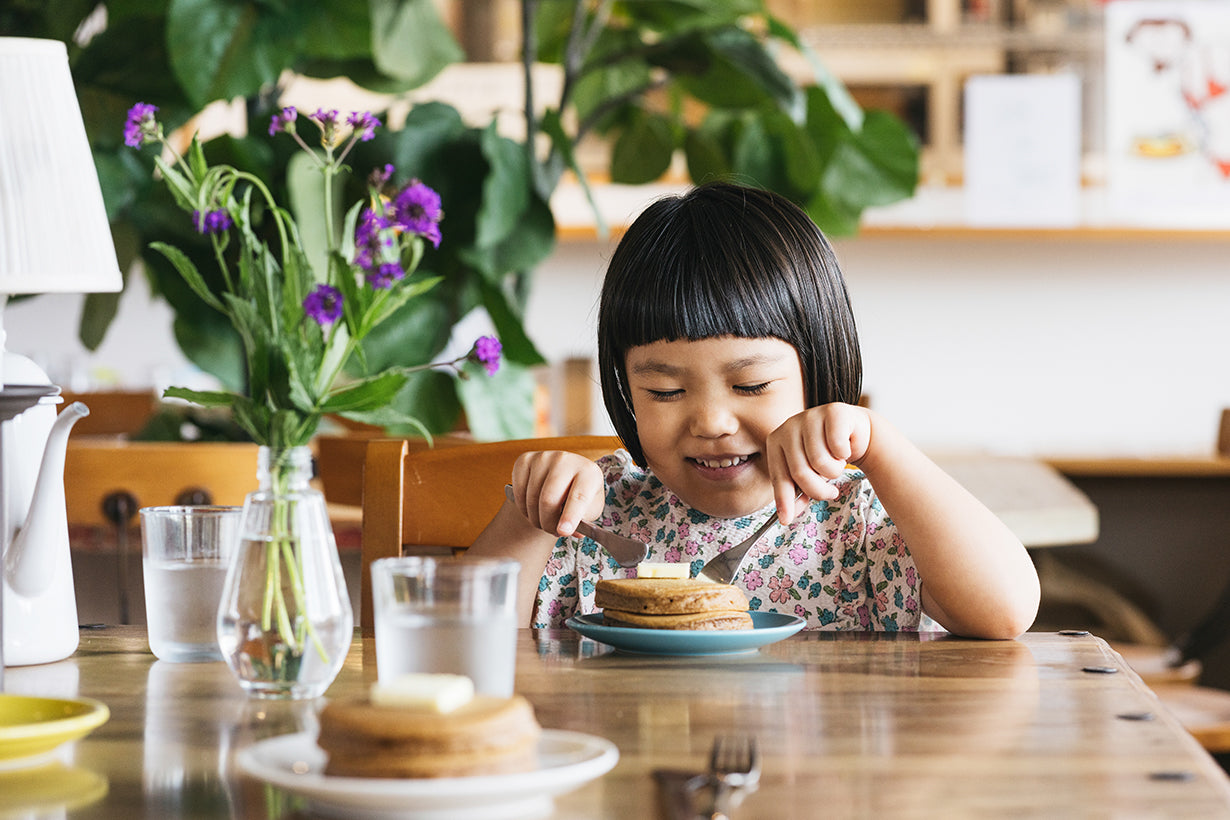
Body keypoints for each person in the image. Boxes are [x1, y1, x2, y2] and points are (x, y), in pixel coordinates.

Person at [469, 181, 1039, 638]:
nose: (712, 422)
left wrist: (879, 445)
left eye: (751, 386)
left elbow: (1006, 612)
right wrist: (529, 514)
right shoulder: (595, 520)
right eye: (665, 393)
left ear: (817, 373)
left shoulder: (859, 519)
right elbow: (460, 641)